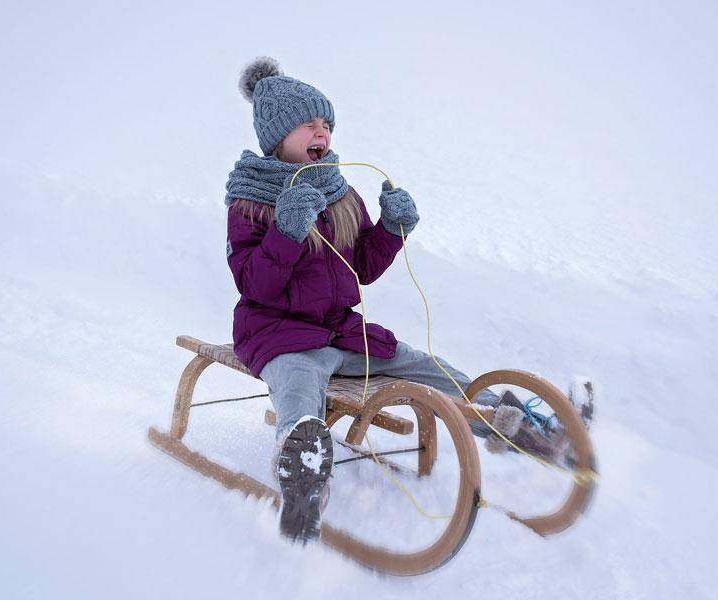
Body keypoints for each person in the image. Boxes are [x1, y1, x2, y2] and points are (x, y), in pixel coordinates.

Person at [224, 57, 548, 543]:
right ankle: (303, 473)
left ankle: (506, 421)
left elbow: (364, 269)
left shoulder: (341, 192)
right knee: (297, 385)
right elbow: (254, 285)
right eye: (309, 122)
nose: (322, 132)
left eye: (326, 124)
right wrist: (287, 231)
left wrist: (393, 228)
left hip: (342, 332)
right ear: (277, 136)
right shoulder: (250, 202)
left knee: (423, 364)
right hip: (279, 336)